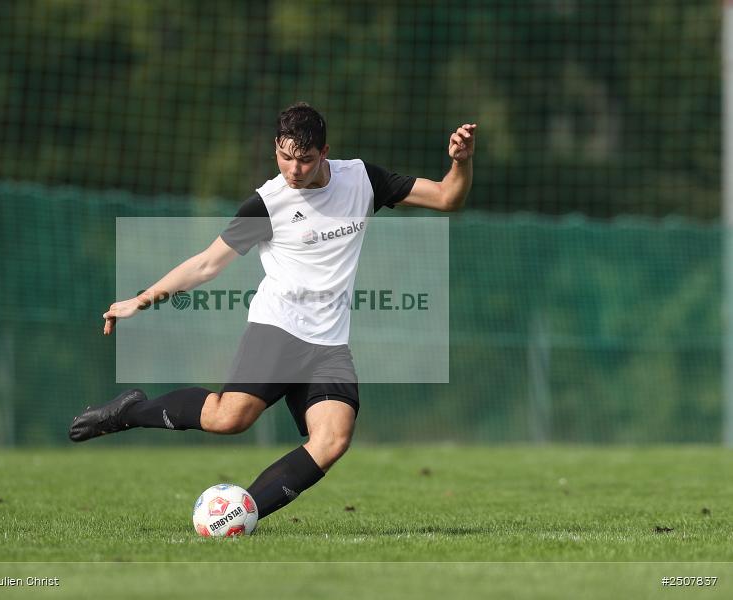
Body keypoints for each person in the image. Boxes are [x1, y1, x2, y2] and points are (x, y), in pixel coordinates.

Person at [69, 103, 476, 520]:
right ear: (275, 150)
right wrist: (142, 298)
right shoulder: (267, 204)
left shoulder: (362, 179)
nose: (293, 169)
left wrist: (460, 163)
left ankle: (239, 517)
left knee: (333, 439)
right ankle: (130, 411)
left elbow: (448, 197)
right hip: (278, 328)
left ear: (324, 152)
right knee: (230, 419)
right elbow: (207, 263)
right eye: (284, 157)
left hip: (329, 342)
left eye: (304, 159)